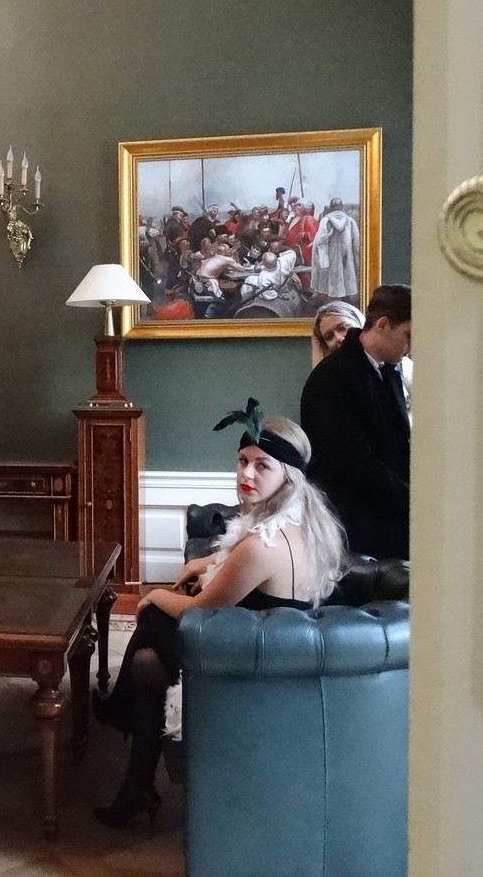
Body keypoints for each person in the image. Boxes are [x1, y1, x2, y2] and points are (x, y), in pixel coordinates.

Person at [91, 401, 344, 832]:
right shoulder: (296, 522)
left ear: (288, 475)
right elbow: (236, 560)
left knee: (154, 618)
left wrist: (153, 595)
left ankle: (121, 723)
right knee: (146, 663)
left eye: (262, 466)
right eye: (243, 461)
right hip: (268, 653)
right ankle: (136, 787)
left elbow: (199, 609)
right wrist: (204, 563)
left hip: (255, 673)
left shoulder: (261, 546)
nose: (247, 474)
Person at [300, 284, 411, 559]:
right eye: (407, 335)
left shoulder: (389, 370)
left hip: (386, 516)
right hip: (353, 524)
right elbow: (354, 460)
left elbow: (397, 444)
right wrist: (412, 500)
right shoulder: (331, 376)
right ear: (382, 325)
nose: (410, 345)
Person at [310, 197, 362, 303]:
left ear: (331, 207)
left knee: (332, 275)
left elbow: (320, 240)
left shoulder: (325, 220)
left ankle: (332, 297)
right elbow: (356, 241)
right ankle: (345, 296)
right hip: (346, 255)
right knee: (346, 275)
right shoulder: (350, 220)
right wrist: (356, 255)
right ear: (341, 207)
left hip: (330, 254)